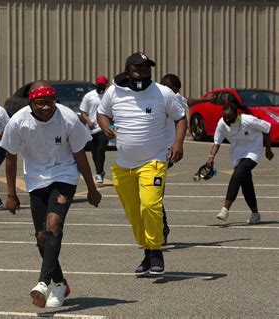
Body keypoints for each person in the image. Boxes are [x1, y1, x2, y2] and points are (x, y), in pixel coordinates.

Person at [1, 81, 102, 308]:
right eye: (40, 103)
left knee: (53, 223)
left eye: (49, 102)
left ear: (55, 100)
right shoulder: (18, 121)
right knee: (42, 237)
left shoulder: (68, 118)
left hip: (64, 174)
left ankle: (43, 283)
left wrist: (92, 189)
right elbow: (11, 157)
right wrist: (11, 194)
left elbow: (80, 156)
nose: (45, 107)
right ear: (31, 103)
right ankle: (60, 283)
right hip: (36, 180)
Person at [97, 52, 187, 276]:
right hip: (124, 164)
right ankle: (147, 253)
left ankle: (156, 251)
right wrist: (106, 125)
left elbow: (180, 117)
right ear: (128, 71)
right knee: (134, 212)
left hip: (154, 161)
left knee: (150, 206)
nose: (144, 73)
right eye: (138, 69)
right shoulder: (113, 91)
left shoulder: (162, 92)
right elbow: (101, 113)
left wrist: (178, 143)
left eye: (147, 69)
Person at [158, 74, 217, 244]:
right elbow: (187, 100)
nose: (176, 95)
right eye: (174, 91)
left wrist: (205, 100)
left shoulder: (171, 97)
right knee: (148, 194)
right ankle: (160, 226)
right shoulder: (155, 95)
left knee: (154, 193)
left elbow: (187, 101)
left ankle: (161, 228)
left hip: (165, 154)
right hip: (149, 152)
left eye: (177, 92)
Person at [206, 102, 274, 224]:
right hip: (237, 155)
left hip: (253, 152)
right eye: (224, 117)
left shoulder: (248, 120)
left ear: (236, 114)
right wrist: (211, 157)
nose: (226, 119)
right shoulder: (222, 123)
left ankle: (225, 209)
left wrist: (268, 149)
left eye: (229, 117)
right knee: (246, 185)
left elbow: (267, 129)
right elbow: (217, 142)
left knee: (238, 174)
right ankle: (255, 214)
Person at [80, 75, 109, 184]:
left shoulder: (108, 96)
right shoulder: (89, 96)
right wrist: (88, 122)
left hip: (103, 127)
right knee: (94, 152)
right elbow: (83, 112)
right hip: (91, 128)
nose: (100, 87)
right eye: (99, 85)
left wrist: (111, 125)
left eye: (102, 85)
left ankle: (98, 173)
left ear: (106, 85)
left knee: (101, 150)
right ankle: (100, 171)